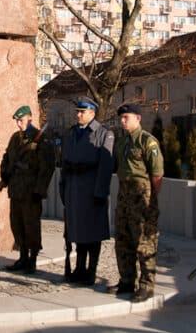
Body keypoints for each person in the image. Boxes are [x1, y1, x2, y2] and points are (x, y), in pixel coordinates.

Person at [108, 103, 164, 303]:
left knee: (144, 242)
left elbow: (157, 175)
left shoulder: (147, 141)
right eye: (121, 118)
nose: (123, 121)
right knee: (123, 239)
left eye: (126, 118)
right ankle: (126, 280)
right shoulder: (122, 143)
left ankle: (146, 285)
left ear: (138, 118)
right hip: (124, 196)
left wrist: (150, 202)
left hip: (142, 198)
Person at [59, 96, 114, 286]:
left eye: (82, 112)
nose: (79, 115)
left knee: (93, 233)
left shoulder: (103, 133)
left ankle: (91, 271)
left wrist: (100, 192)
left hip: (91, 189)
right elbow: (65, 163)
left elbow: (106, 166)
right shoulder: (72, 133)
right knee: (77, 231)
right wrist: (63, 188)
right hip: (74, 189)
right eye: (78, 112)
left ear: (92, 113)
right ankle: (79, 268)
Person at [0, 105, 55, 274]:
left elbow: (47, 167)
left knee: (31, 226)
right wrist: (4, 176)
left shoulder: (41, 139)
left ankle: (33, 259)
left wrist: (39, 189)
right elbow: (7, 158)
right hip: (16, 190)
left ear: (30, 118)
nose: (18, 124)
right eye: (17, 120)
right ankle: (22, 256)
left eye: (21, 120)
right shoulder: (15, 138)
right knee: (17, 224)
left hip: (31, 191)